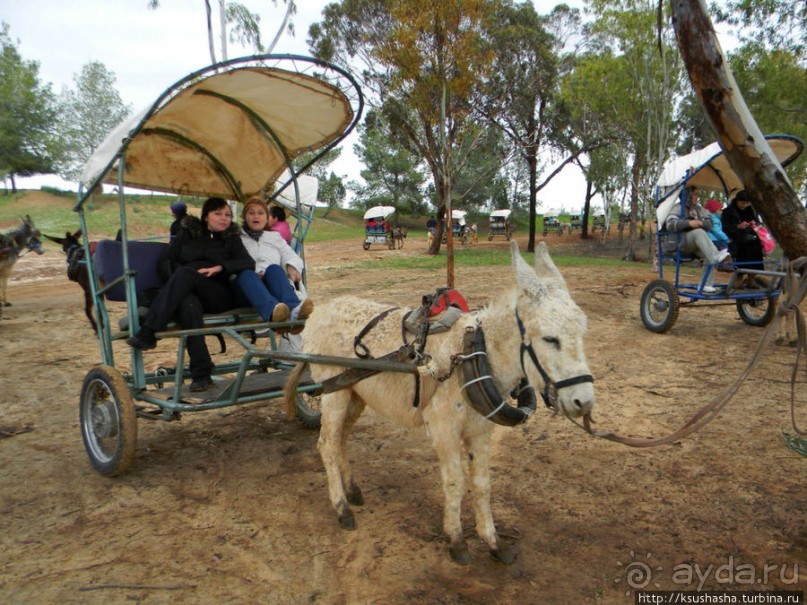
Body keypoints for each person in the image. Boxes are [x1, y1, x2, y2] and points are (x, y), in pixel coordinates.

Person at [127, 197, 255, 392]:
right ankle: (201, 374)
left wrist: (221, 267)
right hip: (188, 290)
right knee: (188, 304)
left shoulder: (231, 238)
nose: (224, 219)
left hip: (218, 294)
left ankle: (149, 331)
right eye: (218, 214)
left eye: (228, 215)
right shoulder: (187, 234)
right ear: (206, 217)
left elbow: (248, 263)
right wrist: (179, 282)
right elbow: (166, 262)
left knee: (186, 274)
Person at [234, 198, 313, 335]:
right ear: (244, 217)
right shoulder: (236, 237)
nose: (256, 216)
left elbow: (291, 256)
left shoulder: (274, 237)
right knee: (247, 274)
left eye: (260, 213)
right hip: (246, 288)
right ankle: (273, 315)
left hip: (270, 287)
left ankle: (293, 311)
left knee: (274, 269)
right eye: (251, 213)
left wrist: (291, 267)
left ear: (267, 218)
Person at [665, 186, 730, 293]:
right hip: (682, 242)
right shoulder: (678, 208)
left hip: (695, 244)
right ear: (687, 196)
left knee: (708, 251)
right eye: (695, 194)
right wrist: (689, 223)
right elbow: (670, 224)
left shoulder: (700, 209)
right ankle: (718, 259)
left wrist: (701, 223)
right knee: (699, 232)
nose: (697, 197)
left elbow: (710, 224)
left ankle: (706, 284)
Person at [722, 190, 765, 277]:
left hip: (750, 235)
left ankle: (752, 276)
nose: (744, 205)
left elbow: (757, 222)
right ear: (737, 201)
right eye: (742, 203)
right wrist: (738, 226)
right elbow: (725, 227)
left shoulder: (749, 210)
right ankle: (739, 276)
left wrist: (754, 223)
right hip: (735, 236)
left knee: (756, 246)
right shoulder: (728, 211)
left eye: (747, 203)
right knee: (743, 247)